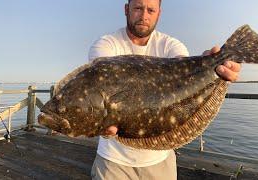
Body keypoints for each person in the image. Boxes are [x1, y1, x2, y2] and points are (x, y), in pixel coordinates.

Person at [88, 0, 241, 179]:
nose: (144, 15)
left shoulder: (171, 45)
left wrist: (212, 66)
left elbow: (185, 74)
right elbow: (101, 77)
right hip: (113, 161)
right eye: (138, 8)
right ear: (126, 9)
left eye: (151, 10)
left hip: (160, 160)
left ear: (159, 13)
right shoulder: (106, 44)